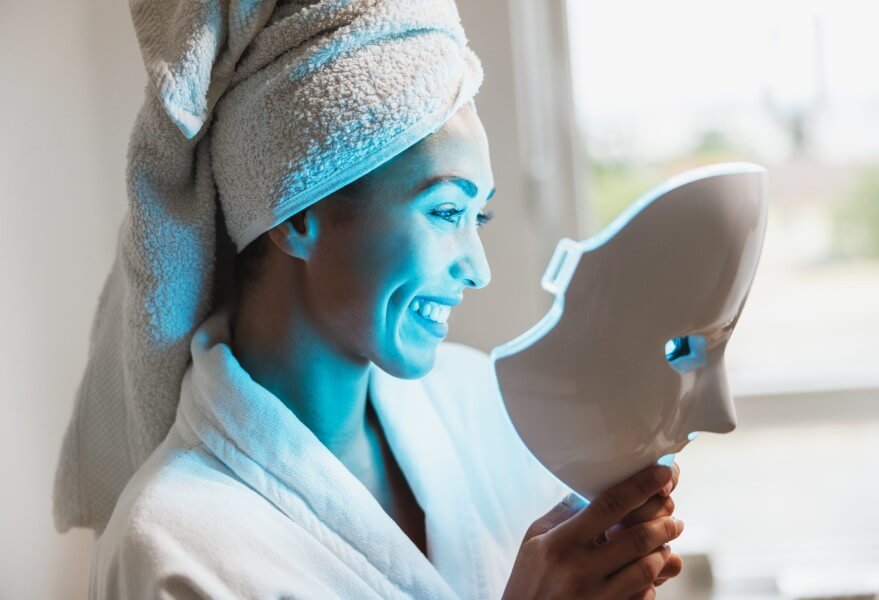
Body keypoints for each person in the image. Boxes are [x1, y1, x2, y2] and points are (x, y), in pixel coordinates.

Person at [57, 1, 685, 598]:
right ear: (297, 212)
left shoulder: (488, 411)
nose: (478, 268)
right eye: (444, 211)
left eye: (480, 219)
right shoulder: (173, 548)